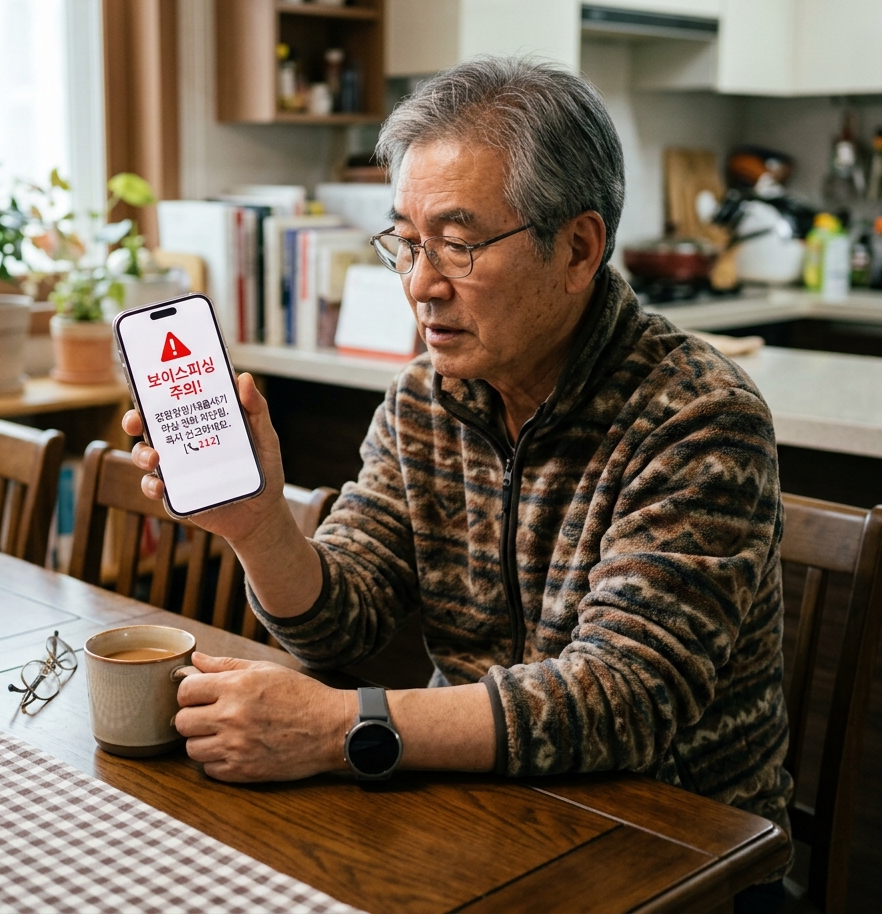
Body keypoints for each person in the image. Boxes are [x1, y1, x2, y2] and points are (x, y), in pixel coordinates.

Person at [124, 58, 791, 859]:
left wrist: (340, 726)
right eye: (406, 244)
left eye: (458, 244)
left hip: (672, 847)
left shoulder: (698, 417)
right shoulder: (425, 400)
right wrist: (260, 526)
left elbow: (624, 699)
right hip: (472, 807)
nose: (420, 285)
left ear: (579, 249)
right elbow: (343, 624)